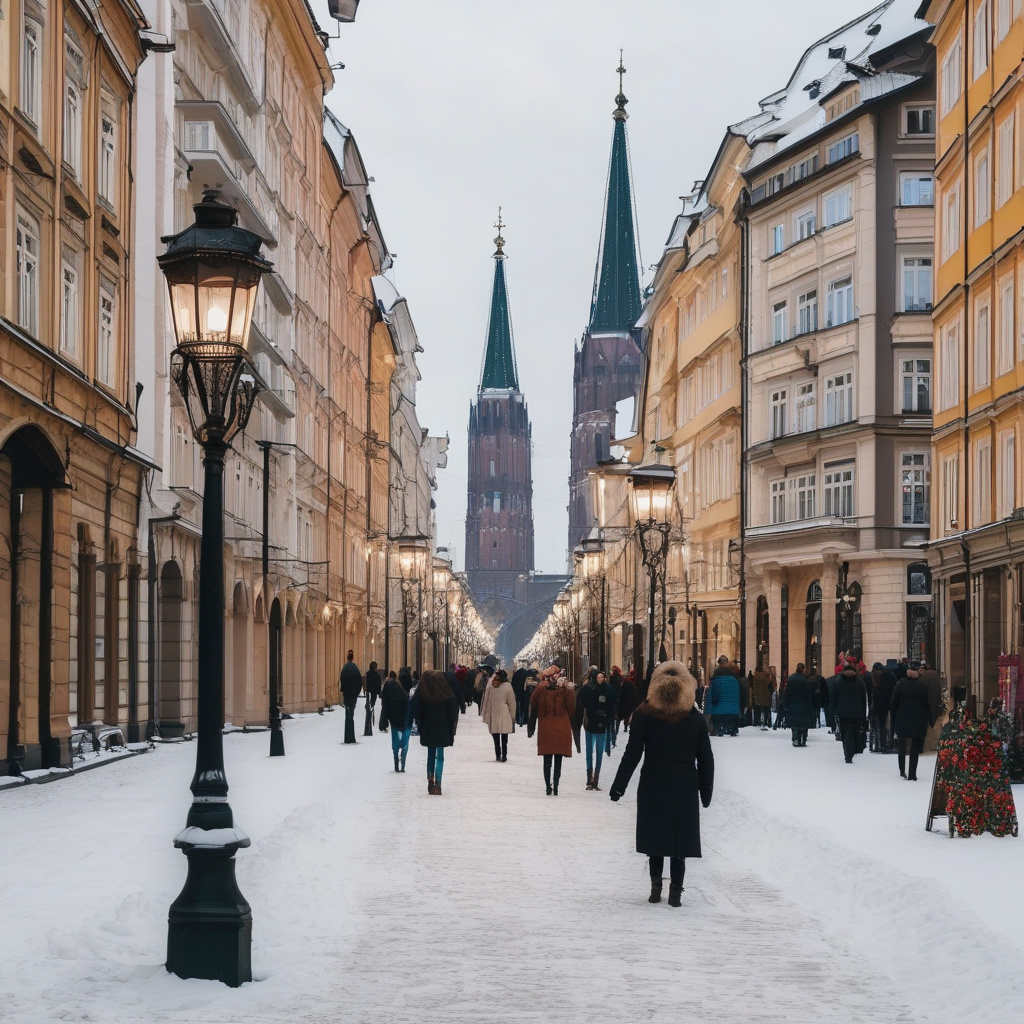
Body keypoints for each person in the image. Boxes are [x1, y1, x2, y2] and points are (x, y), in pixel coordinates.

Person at [609, 661, 714, 908]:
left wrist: (619, 786)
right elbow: (706, 758)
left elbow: (632, 753)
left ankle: (656, 888)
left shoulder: (644, 715)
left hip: (653, 780)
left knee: (655, 836)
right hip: (684, 784)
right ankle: (676, 892)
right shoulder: (695, 719)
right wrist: (706, 791)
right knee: (680, 840)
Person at [409, 670, 459, 795]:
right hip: (442, 727)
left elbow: (414, 708)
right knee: (440, 757)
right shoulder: (446, 692)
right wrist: (451, 727)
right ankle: (439, 783)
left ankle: (430, 780)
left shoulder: (423, 692)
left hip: (428, 727)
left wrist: (419, 721)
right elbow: (453, 711)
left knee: (430, 754)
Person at [528, 665, 576, 795]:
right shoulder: (564, 690)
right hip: (561, 729)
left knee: (547, 759)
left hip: (545, 729)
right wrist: (568, 688)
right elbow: (571, 708)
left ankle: (547, 786)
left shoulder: (541, 689)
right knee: (558, 760)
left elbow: (533, 702)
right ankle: (556, 785)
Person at [889, 661, 935, 780]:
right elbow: (927, 703)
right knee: (915, 746)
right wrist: (929, 719)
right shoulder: (922, 686)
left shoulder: (900, 685)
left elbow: (893, 702)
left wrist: (894, 716)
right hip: (918, 719)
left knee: (902, 744)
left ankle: (902, 770)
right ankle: (912, 774)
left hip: (902, 718)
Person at [578, 668, 616, 790]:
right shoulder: (593, 689)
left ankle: (594, 779)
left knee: (597, 752)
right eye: (598, 677)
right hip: (594, 724)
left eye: (602, 677)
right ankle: (590, 778)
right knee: (591, 751)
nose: (601, 679)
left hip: (598, 724)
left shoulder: (604, 689)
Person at [831, 663, 868, 763]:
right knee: (855, 731)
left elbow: (834, 697)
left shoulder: (838, 681)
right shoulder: (859, 681)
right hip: (856, 711)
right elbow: (863, 698)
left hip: (842, 711)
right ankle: (852, 749)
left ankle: (847, 753)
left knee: (844, 733)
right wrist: (863, 713)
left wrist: (835, 709)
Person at [480, 667, 517, 761]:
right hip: (505, 712)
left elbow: (487, 700)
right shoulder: (508, 686)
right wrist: (513, 716)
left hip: (493, 711)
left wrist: (486, 713)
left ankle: (497, 754)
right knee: (504, 736)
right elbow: (512, 702)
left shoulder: (491, 686)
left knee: (495, 736)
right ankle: (504, 755)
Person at [381, 670, 411, 771]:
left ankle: (396, 762)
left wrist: (384, 719)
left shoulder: (389, 686)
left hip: (393, 718)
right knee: (405, 741)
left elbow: (384, 704)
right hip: (406, 718)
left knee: (395, 740)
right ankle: (403, 763)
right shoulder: (409, 689)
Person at [709, 655, 741, 736]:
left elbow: (714, 695)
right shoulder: (734, 677)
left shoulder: (716, 678)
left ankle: (719, 729)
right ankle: (732, 729)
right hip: (733, 709)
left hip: (718, 710)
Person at [784, 663, 814, 747]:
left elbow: (787, 693)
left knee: (795, 723)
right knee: (803, 723)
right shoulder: (805, 679)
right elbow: (809, 693)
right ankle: (803, 739)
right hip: (804, 704)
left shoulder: (791, 678)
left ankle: (795, 739)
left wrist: (786, 703)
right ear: (803, 669)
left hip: (793, 703)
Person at [868, 662, 893, 753]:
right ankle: (884, 745)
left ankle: (877, 745)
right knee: (884, 726)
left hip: (875, 705)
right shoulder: (888, 677)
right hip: (886, 704)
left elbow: (869, 693)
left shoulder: (870, 677)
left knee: (875, 726)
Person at [339, 650, 363, 744]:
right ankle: (351, 736)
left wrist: (344, 690)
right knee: (351, 714)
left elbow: (342, 679)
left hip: (347, 694)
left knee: (347, 713)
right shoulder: (355, 668)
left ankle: (347, 736)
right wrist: (357, 692)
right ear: (352, 658)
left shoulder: (345, 668)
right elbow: (359, 681)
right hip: (353, 694)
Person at [751, 665, 774, 730]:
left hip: (758, 696)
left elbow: (754, 687)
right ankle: (767, 722)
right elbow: (772, 687)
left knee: (757, 710)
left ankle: (757, 722)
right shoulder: (768, 677)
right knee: (767, 710)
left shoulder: (755, 677)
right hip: (767, 697)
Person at [618, 669, 640, 733]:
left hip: (625, 702)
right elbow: (635, 694)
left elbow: (621, 694)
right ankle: (628, 726)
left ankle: (624, 726)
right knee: (630, 715)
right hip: (631, 702)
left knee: (625, 715)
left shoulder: (623, 685)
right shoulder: (632, 684)